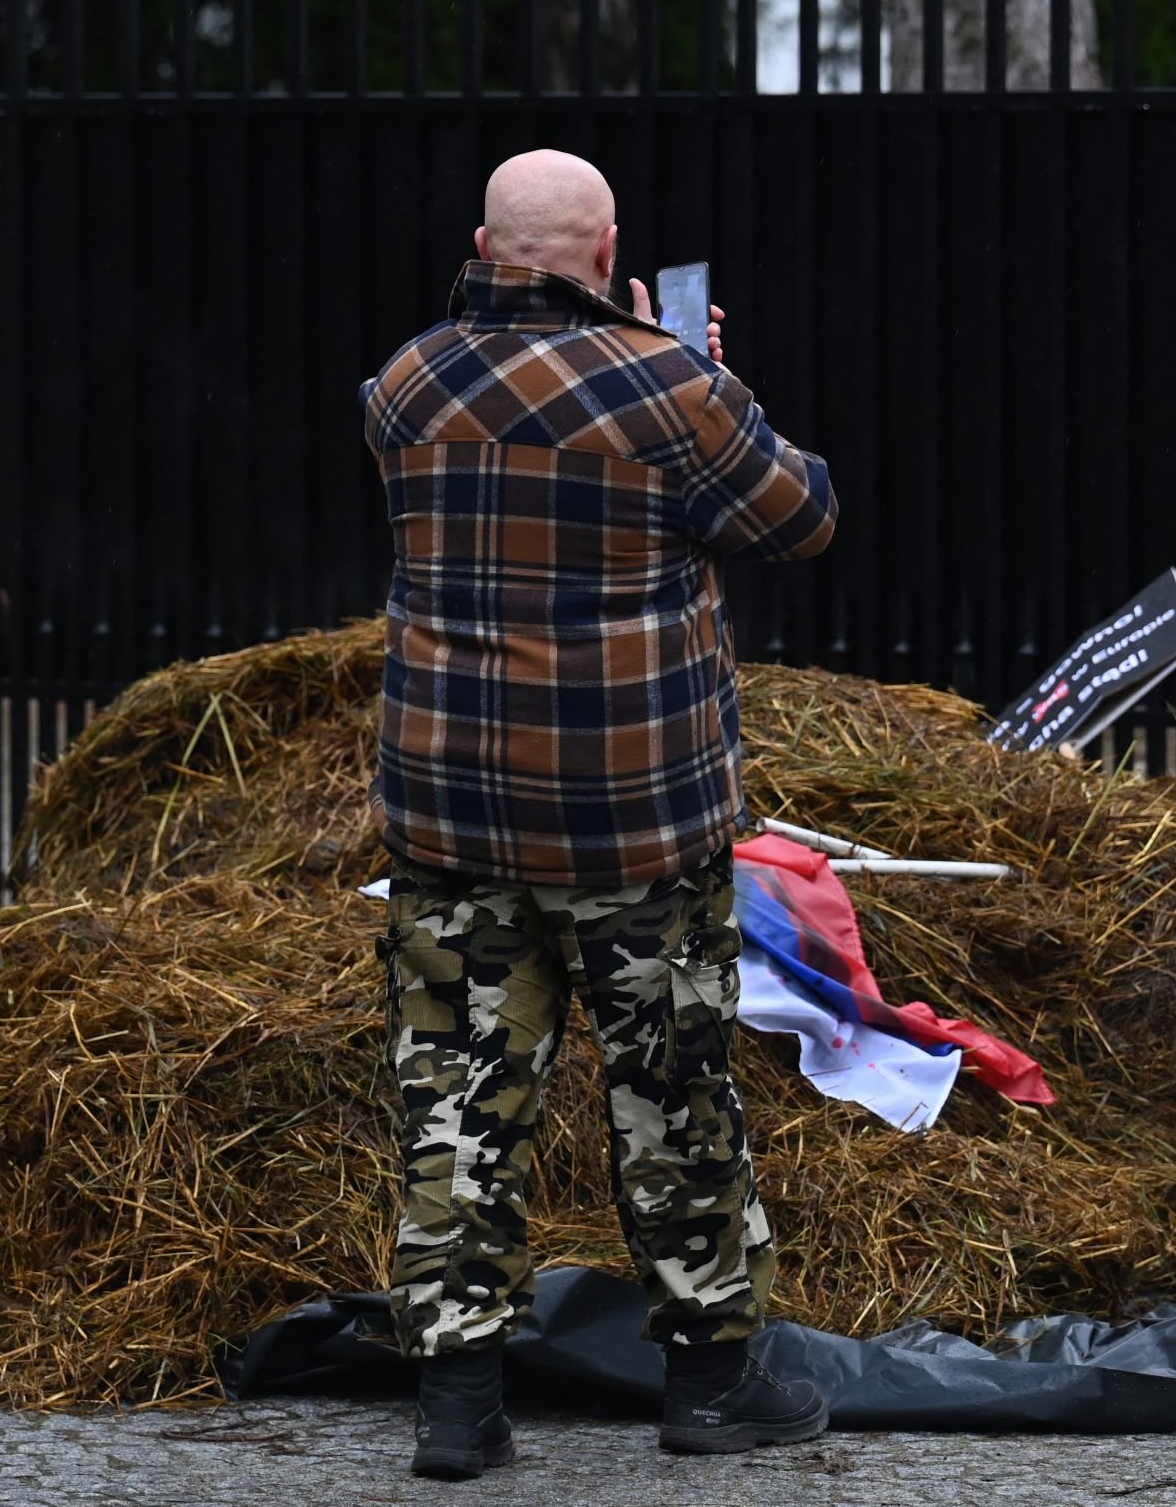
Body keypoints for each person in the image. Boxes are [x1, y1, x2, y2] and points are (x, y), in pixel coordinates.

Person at [360, 148, 840, 1480]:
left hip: (452, 813)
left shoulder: (401, 387)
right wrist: (704, 366)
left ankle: (458, 1405)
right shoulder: (671, 388)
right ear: (609, 247)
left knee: (455, 1091)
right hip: (634, 818)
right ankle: (707, 1383)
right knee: (672, 1088)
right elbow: (800, 513)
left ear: (482, 243)